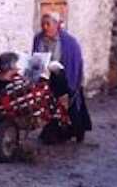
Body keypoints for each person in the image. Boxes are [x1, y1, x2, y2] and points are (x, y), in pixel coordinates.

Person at [32, 12, 92, 143]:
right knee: (47, 103)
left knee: (68, 106)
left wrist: (72, 81)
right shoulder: (38, 39)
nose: (45, 27)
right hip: (45, 77)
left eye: (48, 24)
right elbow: (35, 58)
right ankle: (54, 130)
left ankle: (76, 131)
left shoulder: (69, 42)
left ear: (57, 25)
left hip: (64, 79)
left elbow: (75, 63)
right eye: (43, 24)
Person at [0, 51, 23, 119]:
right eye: (16, 64)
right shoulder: (16, 83)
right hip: (14, 121)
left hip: (1, 121)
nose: (18, 66)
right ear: (11, 66)